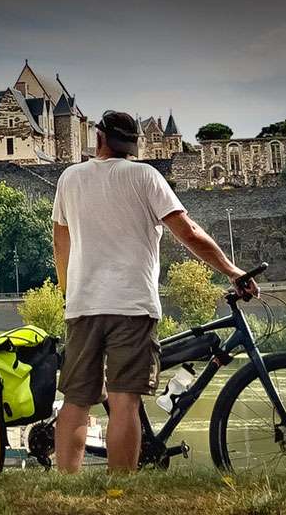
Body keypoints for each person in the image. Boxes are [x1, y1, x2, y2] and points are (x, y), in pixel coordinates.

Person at [50, 110, 257, 474]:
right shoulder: (146, 176)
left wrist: (70, 292)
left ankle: (64, 485)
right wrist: (232, 270)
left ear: (98, 137)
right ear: (132, 145)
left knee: (76, 401)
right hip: (131, 304)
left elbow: (60, 243)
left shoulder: (70, 178)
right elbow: (188, 232)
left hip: (82, 307)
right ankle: (121, 487)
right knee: (124, 401)